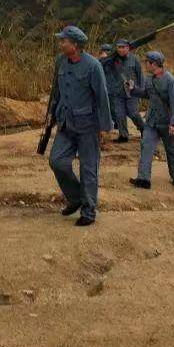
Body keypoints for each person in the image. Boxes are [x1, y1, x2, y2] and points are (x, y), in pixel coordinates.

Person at [46, 25, 112, 226]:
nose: (60, 44)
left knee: (88, 168)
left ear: (74, 45)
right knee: (56, 161)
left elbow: (102, 97)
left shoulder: (93, 66)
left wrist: (104, 127)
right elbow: (56, 91)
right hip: (66, 123)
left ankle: (89, 211)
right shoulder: (61, 62)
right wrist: (51, 113)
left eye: (63, 41)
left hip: (88, 126)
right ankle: (75, 197)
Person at [129, 51, 174, 188]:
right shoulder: (149, 79)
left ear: (154, 64)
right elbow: (147, 94)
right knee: (146, 146)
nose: (145, 64)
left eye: (147, 62)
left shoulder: (169, 79)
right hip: (151, 121)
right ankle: (143, 179)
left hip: (167, 122)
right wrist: (133, 89)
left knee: (171, 150)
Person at [108, 39, 144, 143]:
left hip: (132, 91)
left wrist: (141, 91)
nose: (121, 49)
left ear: (128, 48)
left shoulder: (134, 59)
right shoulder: (113, 59)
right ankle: (123, 135)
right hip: (118, 91)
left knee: (133, 113)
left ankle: (143, 129)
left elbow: (140, 75)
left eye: (123, 47)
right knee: (119, 114)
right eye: (119, 47)